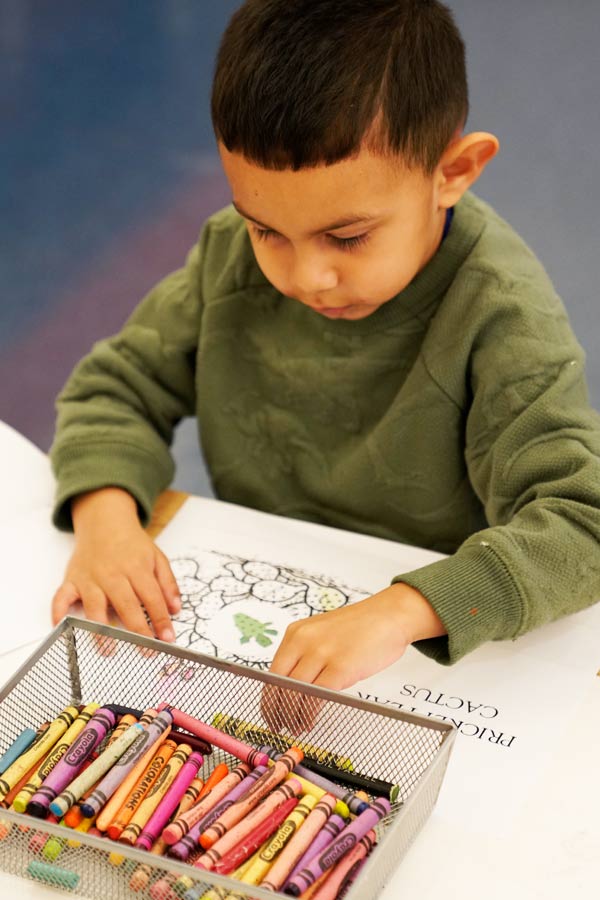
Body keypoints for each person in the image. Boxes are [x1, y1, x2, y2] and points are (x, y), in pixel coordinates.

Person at [50, 0, 600, 693]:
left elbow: (583, 524)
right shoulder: (230, 255)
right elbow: (116, 387)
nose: (305, 277)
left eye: (347, 237)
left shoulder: (499, 311)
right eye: (266, 229)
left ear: (453, 172)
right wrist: (104, 520)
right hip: (264, 589)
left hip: (422, 646)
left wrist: (404, 611)